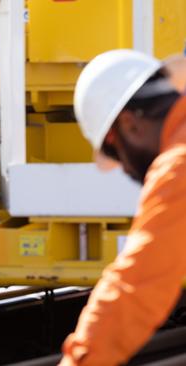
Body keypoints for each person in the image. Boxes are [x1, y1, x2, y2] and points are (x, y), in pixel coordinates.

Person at [60, 50, 186, 365]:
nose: (126, 170)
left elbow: (135, 286)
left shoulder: (179, 165)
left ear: (129, 125)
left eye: (116, 153)